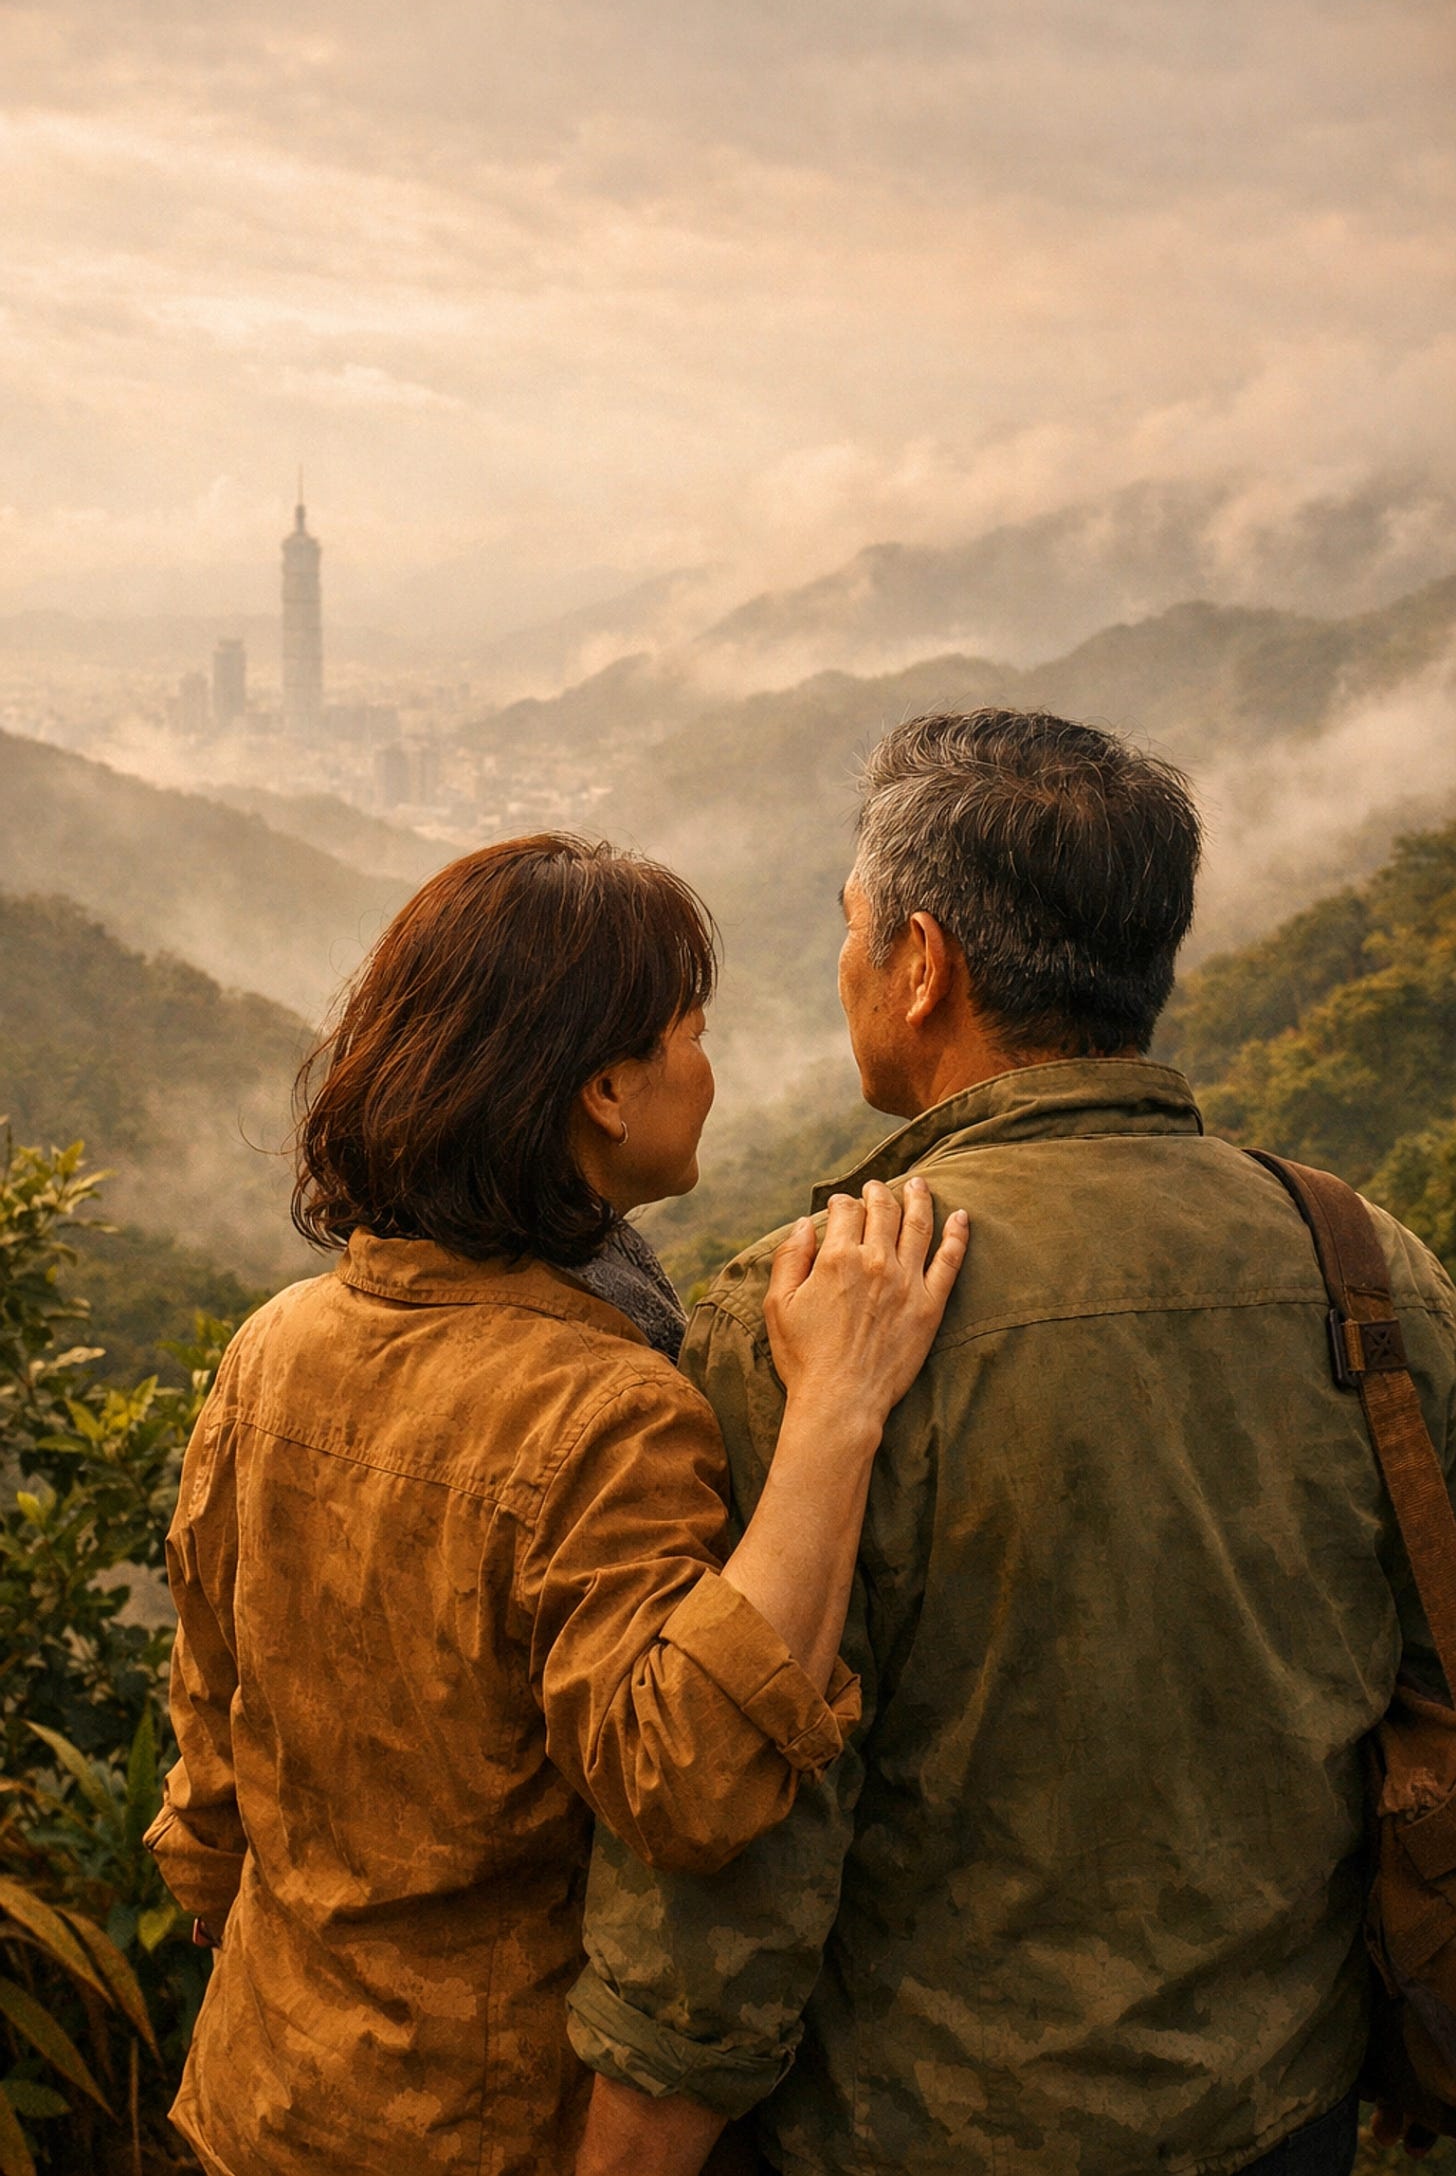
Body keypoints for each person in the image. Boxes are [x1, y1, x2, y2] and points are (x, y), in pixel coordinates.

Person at [569, 709, 1456, 2176]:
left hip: (927, 2130)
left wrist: (638, 2132)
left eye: (854, 930)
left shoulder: (808, 1314)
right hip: (1287, 2114)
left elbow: (751, 1830)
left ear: (923, 965)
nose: (845, 964)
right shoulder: (1369, 1265)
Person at [144, 834, 967, 2176]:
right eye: (691, 1035)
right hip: (477, 2124)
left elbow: (213, 1715)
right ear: (602, 1088)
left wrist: (220, 1888)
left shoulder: (277, 1343)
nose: (709, 1071)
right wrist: (836, 1411)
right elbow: (691, 1785)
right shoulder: (604, 1406)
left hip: (261, 2087)